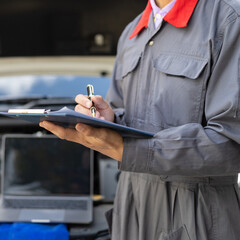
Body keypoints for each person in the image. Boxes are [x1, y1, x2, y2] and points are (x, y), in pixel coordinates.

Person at [39, 0, 240, 239]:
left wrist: (127, 149)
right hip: (130, 205)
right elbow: (126, 112)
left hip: (198, 212)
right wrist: (108, 118)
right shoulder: (132, 33)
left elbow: (231, 142)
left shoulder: (229, 18)